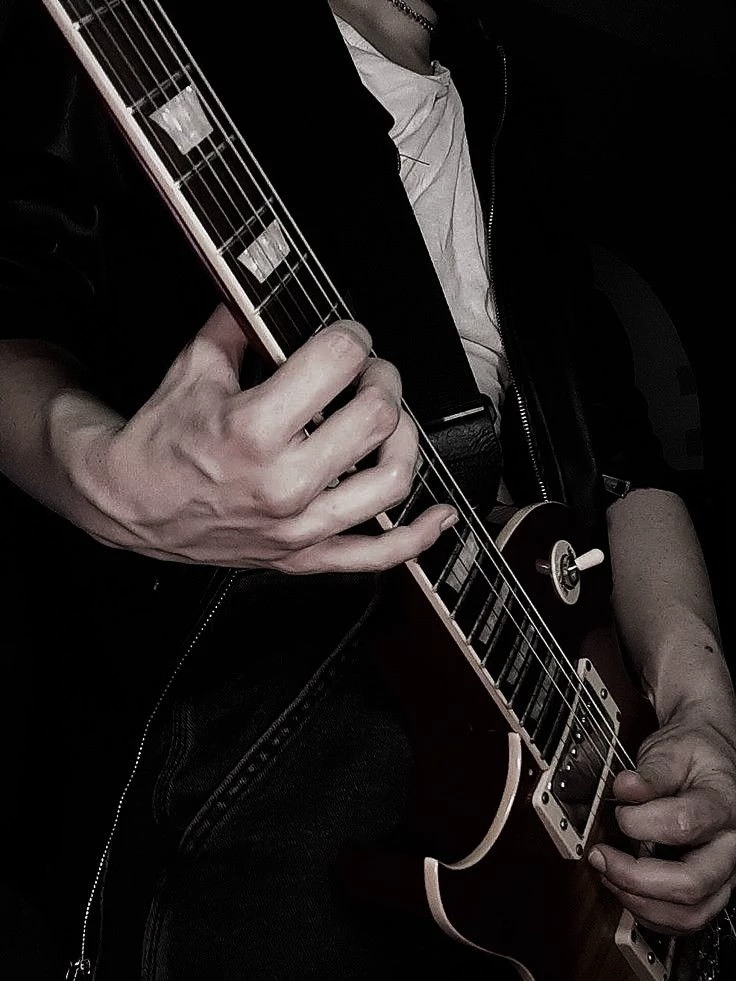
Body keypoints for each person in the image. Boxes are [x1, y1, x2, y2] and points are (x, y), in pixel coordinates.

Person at [0, 0, 734, 978]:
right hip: (260, 730)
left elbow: (623, 458)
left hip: (531, 756)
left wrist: (701, 711)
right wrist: (102, 476)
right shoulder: (179, 31)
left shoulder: (510, 96)